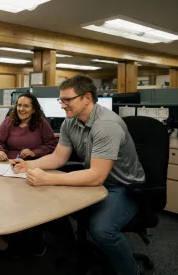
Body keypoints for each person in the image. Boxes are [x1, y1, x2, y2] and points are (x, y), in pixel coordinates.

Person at [13, 75, 145, 275]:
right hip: (95, 182)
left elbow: (96, 176)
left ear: (86, 98)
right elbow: (58, 157)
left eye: (68, 100)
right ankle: (73, 256)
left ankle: (131, 271)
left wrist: (48, 178)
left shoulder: (106, 125)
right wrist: (28, 166)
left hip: (124, 188)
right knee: (51, 208)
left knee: (102, 230)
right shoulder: (70, 122)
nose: (62, 106)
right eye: (61, 100)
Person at [0, 92, 57, 161]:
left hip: (33, 163)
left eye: (26, 106)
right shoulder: (9, 121)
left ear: (33, 110)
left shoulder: (41, 123)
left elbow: (52, 145)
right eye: (19, 105)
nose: (21, 109)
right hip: (10, 162)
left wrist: (34, 152)